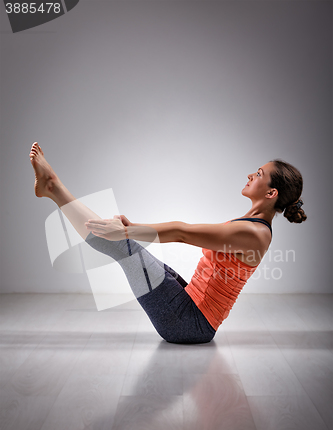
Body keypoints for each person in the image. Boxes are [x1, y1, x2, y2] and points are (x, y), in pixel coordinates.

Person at [29, 142, 307, 344]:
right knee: (129, 246)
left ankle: (53, 187)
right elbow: (183, 232)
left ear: (271, 192)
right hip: (190, 305)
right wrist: (130, 230)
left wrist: (129, 231)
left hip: (189, 324)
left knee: (125, 247)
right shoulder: (251, 225)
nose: (250, 175)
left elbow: (182, 232)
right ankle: (53, 188)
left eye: (258, 174)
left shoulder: (255, 234)